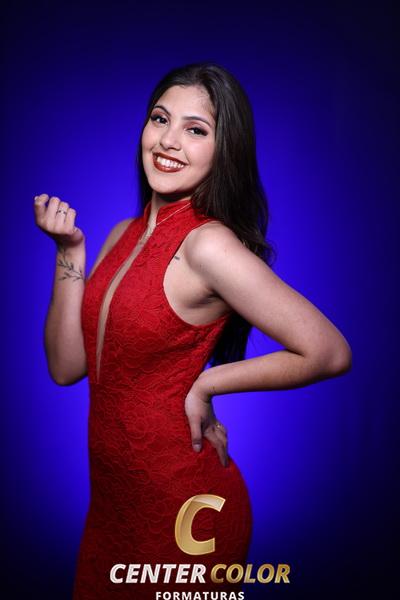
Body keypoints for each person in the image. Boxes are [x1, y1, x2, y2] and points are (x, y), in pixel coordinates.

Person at [34, 62, 352, 599]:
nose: (169, 141)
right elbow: (66, 367)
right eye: (160, 119)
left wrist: (206, 384)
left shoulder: (208, 245)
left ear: (224, 151)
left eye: (196, 129)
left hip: (187, 516)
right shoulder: (120, 234)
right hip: (111, 512)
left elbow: (329, 351)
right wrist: (70, 252)